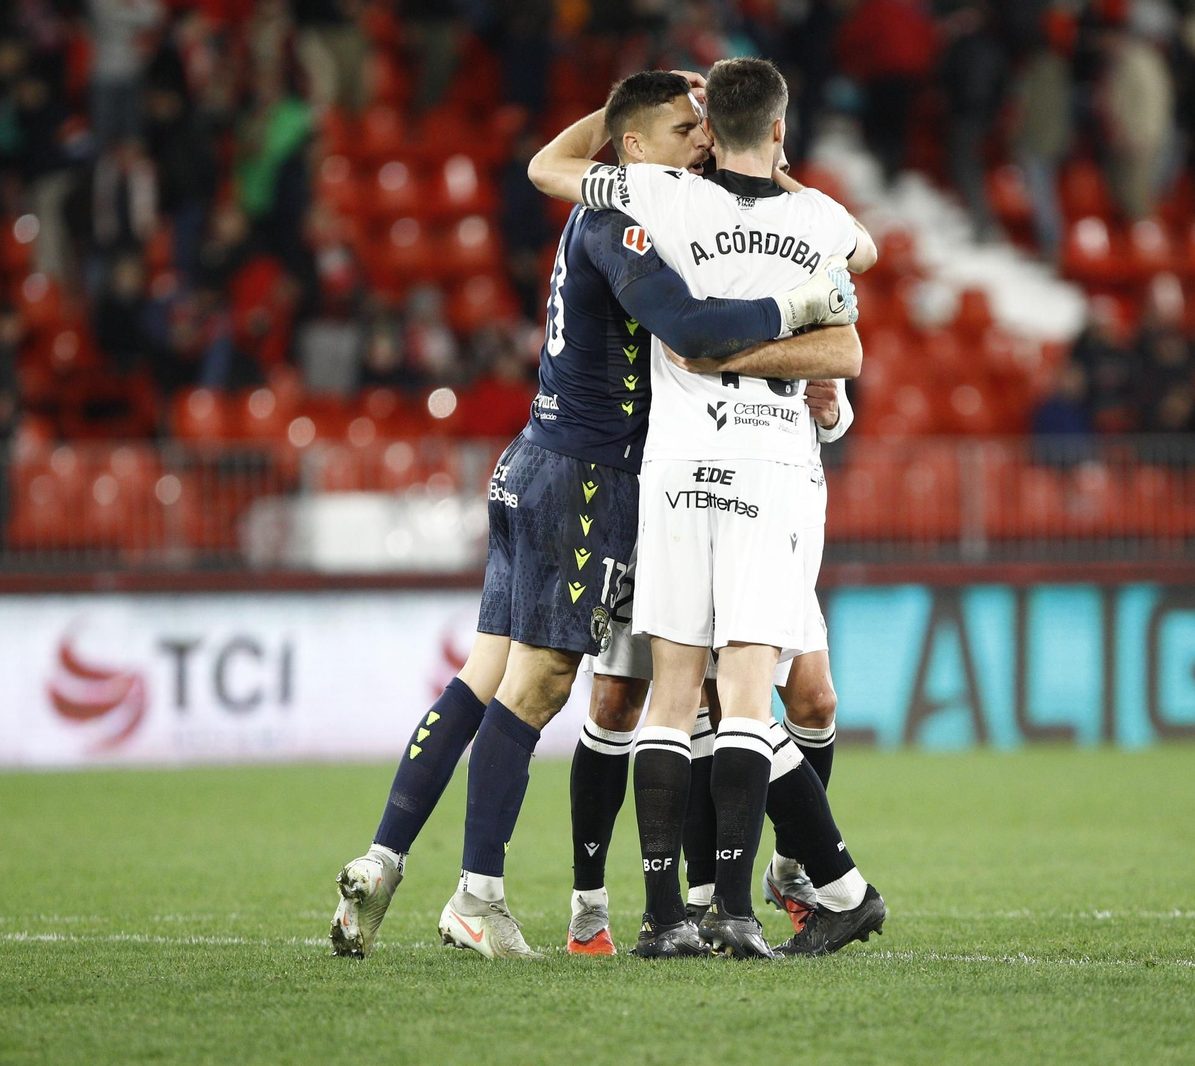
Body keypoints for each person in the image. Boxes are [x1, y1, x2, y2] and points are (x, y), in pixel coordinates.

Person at [327, 70, 860, 961]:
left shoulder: (609, 199)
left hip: (535, 461)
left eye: (706, 126)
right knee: (545, 687)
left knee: (483, 678)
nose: (700, 141)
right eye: (683, 129)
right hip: (587, 476)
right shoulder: (629, 220)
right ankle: (481, 895)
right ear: (635, 150)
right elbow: (690, 329)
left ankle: (384, 856)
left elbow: (562, 159)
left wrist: (637, 119)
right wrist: (799, 312)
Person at [529, 58, 885, 959]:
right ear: (780, 128)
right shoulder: (818, 218)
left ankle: (666, 917)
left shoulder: (657, 195)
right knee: (743, 695)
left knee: (675, 693)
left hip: (679, 466)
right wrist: (787, 344)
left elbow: (546, 169)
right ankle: (732, 904)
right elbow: (862, 272)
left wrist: (718, 357)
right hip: (767, 468)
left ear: (704, 126)